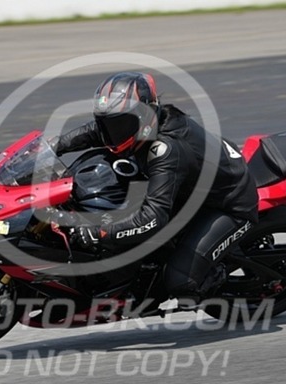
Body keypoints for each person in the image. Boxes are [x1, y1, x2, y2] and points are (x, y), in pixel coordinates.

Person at [54, 72, 259, 303]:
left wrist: (101, 232)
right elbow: (96, 131)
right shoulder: (139, 124)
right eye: (110, 124)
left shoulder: (166, 150)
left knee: (180, 281)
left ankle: (213, 276)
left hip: (229, 203)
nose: (114, 133)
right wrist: (54, 145)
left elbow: (152, 219)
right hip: (191, 187)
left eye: (121, 124)